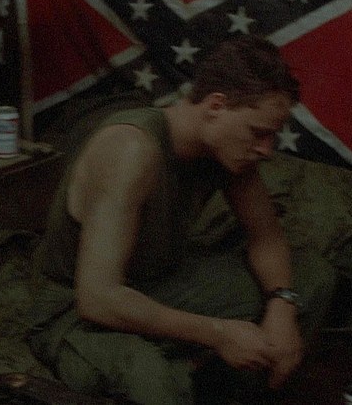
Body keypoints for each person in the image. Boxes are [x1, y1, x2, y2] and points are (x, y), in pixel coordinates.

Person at [27, 35, 336, 404]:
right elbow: (97, 299)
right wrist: (219, 334)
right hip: (76, 312)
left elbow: (266, 237)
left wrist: (282, 306)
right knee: (154, 380)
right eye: (259, 133)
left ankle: (236, 390)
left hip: (158, 282)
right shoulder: (131, 149)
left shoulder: (227, 150)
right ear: (216, 105)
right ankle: (192, 373)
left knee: (310, 274)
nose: (266, 150)